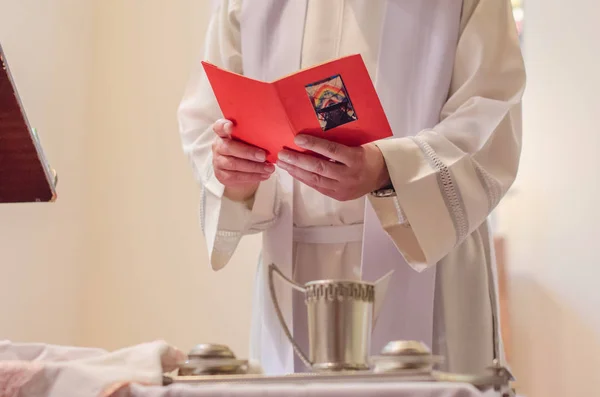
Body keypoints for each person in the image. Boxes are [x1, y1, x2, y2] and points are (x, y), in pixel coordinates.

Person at [178, 0, 525, 376]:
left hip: (428, 261)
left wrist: (389, 169)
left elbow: (491, 112)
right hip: (292, 270)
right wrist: (236, 173)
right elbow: (209, 116)